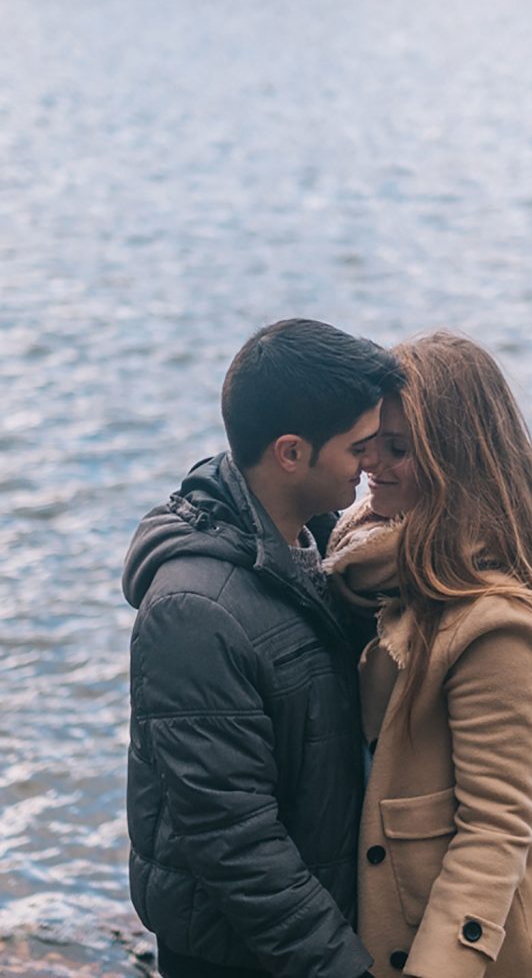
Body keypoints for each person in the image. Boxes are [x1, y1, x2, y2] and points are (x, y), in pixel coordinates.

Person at [324, 331, 532, 978]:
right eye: (369, 440)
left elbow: (495, 830)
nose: (371, 464)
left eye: (399, 448)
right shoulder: (384, 570)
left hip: (492, 952)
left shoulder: (495, 627)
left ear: (454, 461)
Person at [122, 318, 403, 978]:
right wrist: (343, 967)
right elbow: (234, 839)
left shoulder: (332, 545)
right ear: (290, 453)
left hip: (316, 926)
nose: (371, 467)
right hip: (241, 955)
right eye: (359, 447)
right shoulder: (193, 610)